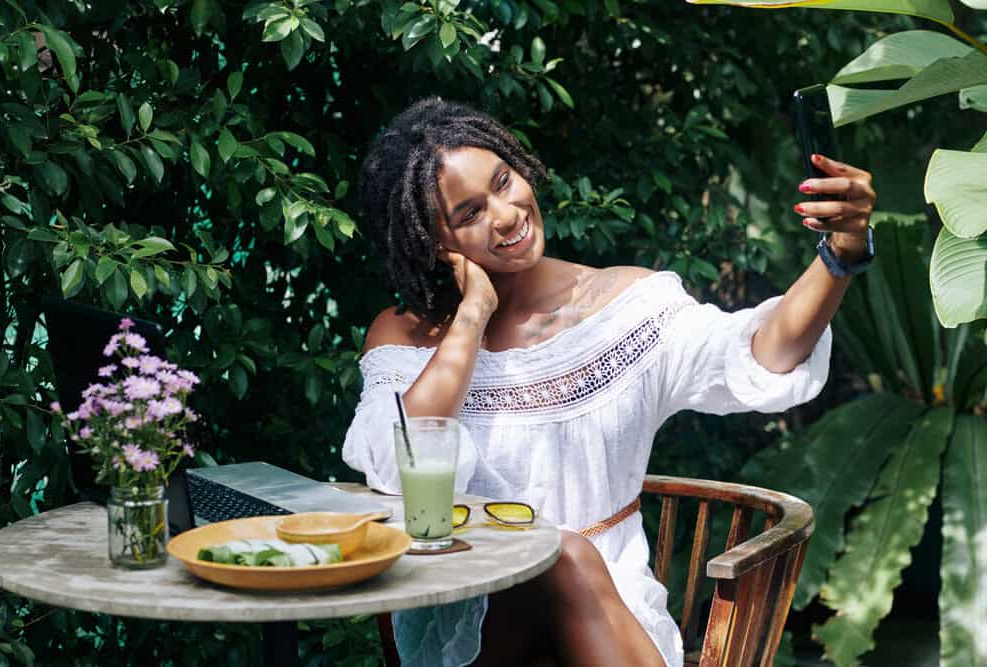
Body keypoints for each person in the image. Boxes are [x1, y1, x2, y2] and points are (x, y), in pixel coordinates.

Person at [342, 97, 875, 667]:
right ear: (432, 241)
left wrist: (838, 257)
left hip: (609, 613)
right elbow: (401, 464)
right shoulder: (409, 334)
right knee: (552, 553)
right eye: (470, 213)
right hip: (470, 622)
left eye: (504, 181)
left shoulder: (624, 309)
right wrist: (472, 317)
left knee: (566, 557)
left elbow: (760, 354)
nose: (506, 213)